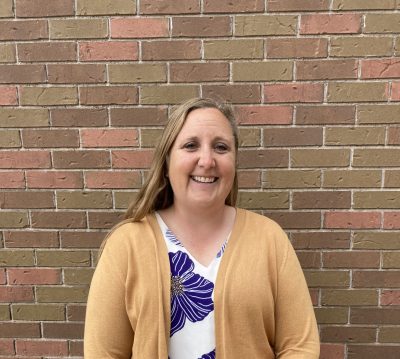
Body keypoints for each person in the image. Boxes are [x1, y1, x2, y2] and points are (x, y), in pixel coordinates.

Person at [84, 97, 320, 358]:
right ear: (166, 161)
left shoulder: (269, 238)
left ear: (234, 162)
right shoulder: (126, 244)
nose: (207, 161)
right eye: (190, 145)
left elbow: (300, 345)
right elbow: (103, 353)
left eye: (221, 147)